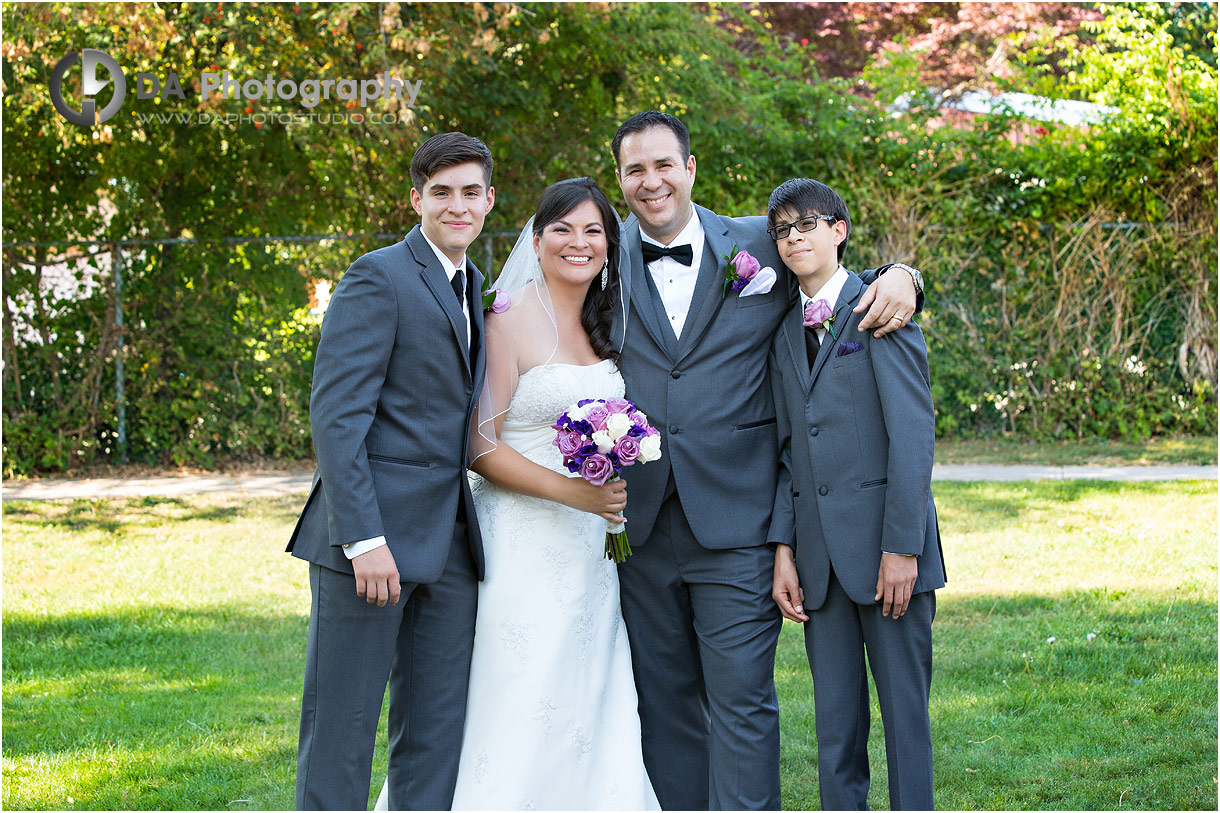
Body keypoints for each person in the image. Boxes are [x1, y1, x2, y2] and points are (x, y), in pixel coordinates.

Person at [609, 111, 925, 810]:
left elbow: (833, 276)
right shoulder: (596, 253)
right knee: (663, 705)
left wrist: (903, 275)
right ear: (620, 181)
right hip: (639, 526)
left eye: (664, 164)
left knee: (744, 703)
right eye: (635, 169)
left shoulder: (758, 241)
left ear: (691, 168)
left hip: (740, 520)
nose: (651, 181)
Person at [375, 177, 659, 810]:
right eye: (561, 229)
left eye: (593, 231)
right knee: (518, 687)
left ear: (611, 245)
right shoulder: (504, 314)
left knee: (589, 690)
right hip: (521, 543)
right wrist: (575, 493)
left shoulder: (607, 317)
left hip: (589, 548)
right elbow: (480, 448)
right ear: (536, 238)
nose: (577, 243)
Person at [286, 132, 494, 811]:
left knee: (435, 734)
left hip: (451, 548)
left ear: (490, 200)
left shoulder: (475, 286)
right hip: (369, 546)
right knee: (341, 731)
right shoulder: (378, 275)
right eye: (441, 192)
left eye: (470, 192)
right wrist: (363, 539)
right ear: (416, 199)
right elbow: (338, 415)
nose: (456, 205)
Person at [766, 178, 945, 811]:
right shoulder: (783, 330)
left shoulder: (883, 310)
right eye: (783, 231)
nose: (794, 238)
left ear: (839, 230)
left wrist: (903, 547)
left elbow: (912, 437)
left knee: (904, 721)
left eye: (807, 224)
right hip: (819, 563)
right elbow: (789, 450)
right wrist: (784, 548)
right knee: (835, 729)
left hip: (888, 555)